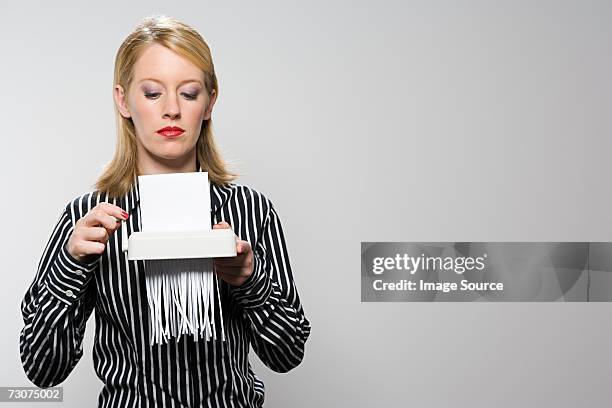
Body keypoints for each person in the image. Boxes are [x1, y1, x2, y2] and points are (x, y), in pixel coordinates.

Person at [19, 14, 311, 408]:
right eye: (153, 93)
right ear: (124, 100)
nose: (171, 110)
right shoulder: (88, 217)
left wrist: (248, 281)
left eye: (189, 93)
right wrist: (71, 264)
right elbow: (42, 370)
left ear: (210, 101)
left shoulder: (251, 210)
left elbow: (288, 354)